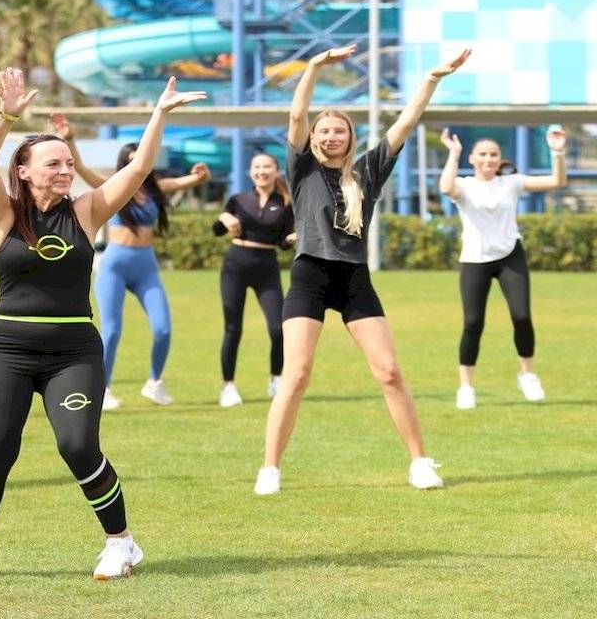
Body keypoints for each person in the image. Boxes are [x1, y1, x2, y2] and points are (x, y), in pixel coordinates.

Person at [0, 69, 205, 585]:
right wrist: (7, 116)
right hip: (6, 349)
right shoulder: (1, 213)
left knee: (78, 446)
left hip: (72, 351)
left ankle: (121, 543)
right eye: (53, 163)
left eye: (68, 162)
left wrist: (159, 115)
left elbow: (140, 169)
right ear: (24, 171)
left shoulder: (85, 212)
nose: (65, 170)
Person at [254, 43, 470, 497]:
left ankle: (420, 462)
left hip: (354, 278)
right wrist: (313, 65)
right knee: (296, 375)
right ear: (314, 138)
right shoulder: (302, 168)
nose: (330, 136)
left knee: (389, 371)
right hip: (309, 275)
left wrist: (431, 79)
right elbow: (295, 117)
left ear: (350, 138)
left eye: (339, 131)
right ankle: (270, 468)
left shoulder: (367, 171)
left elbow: (405, 123)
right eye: (324, 130)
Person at [49, 111, 211, 410]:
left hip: (145, 265)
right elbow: (81, 168)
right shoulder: (111, 186)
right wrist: (69, 138)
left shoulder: (155, 189)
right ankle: (104, 388)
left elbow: (189, 181)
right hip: (115, 264)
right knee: (111, 331)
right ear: (124, 164)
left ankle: (154, 383)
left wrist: (202, 175)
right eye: (132, 160)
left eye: (142, 160)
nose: (139, 165)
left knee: (162, 327)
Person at [439, 127, 569, 409]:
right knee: (473, 323)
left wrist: (557, 153)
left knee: (522, 316)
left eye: (493, 154)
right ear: (473, 158)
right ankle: (466, 387)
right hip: (475, 258)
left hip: (511, 255)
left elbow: (557, 181)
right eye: (483, 154)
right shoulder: (464, 185)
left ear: (500, 159)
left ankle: (528, 375)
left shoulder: (511, 183)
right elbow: (445, 187)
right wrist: (453, 153)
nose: (488, 159)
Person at [212, 152, 295, 408]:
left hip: (267, 267)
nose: (262, 171)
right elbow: (216, 231)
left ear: (276, 170)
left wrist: (291, 240)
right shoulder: (238, 199)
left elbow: (282, 242)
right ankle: (228, 387)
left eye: (267, 166)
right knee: (233, 328)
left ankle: (276, 379)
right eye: (257, 167)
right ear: (250, 172)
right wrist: (222, 218)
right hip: (236, 264)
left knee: (278, 328)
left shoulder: (285, 202)